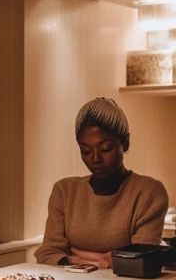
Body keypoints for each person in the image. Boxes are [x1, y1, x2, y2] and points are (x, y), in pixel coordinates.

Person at [34, 97, 168, 268]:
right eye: (86, 151)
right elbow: (48, 254)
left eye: (106, 148)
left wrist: (77, 256)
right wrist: (106, 260)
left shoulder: (148, 191)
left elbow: (139, 260)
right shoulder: (65, 191)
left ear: (125, 143)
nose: (95, 158)